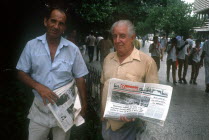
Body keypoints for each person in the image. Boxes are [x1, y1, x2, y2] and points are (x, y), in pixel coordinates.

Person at [16, 7, 88, 140]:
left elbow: (80, 77)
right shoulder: (31, 45)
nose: (56, 26)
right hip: (39, 109)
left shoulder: (73, 49)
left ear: (64, 27)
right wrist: (38, 86)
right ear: (45, 22)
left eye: (61, 23)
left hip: (64, 110)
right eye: (53, 21)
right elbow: (21, 72)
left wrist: (84, 104)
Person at [100, 20, 159, 140]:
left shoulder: (147, 62)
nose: (117, 40)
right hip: (106, 124)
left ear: (132, 37)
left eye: (122, 36)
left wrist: (134, 112)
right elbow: (103, 85)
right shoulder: (108, 59)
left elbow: (154, 98)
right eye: (114, 36)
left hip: (131, 127)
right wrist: (102, 111)